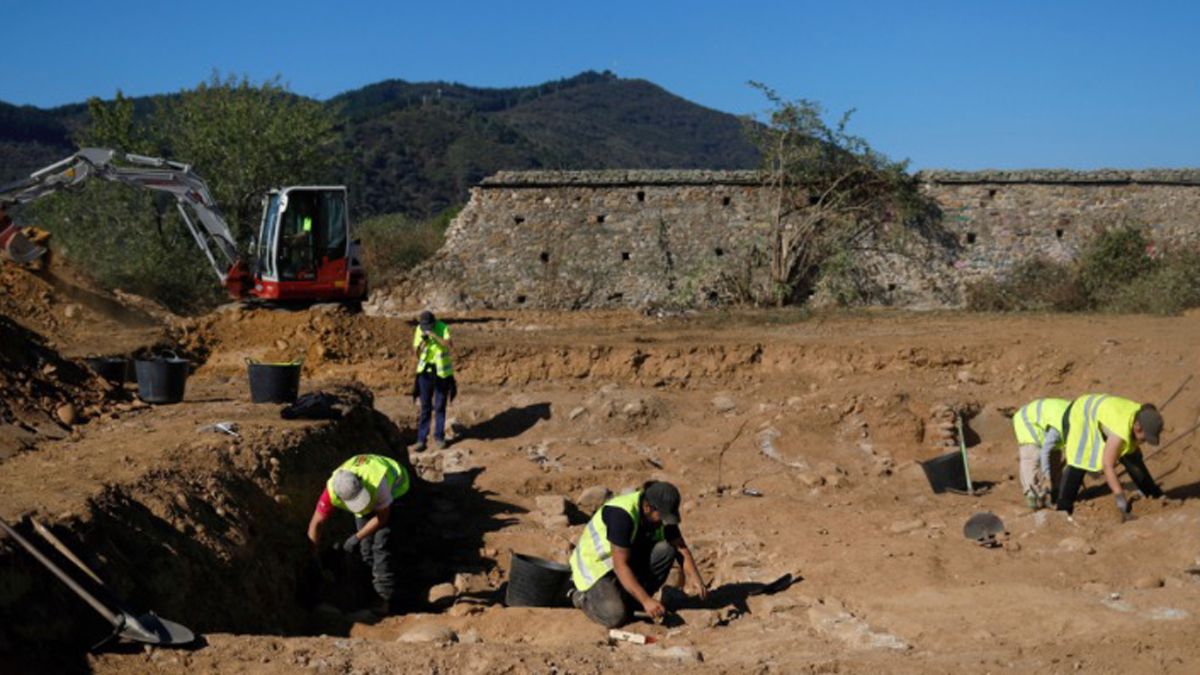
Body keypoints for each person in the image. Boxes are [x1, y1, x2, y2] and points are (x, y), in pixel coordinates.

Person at [568, 481, 708, 628]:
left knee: (666, 550)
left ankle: (632, 602)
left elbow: (680, 548)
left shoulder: (661, 514)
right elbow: (620, 565)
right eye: (662, 516)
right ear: (647, 507)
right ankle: (580, 597)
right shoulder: (621, 515)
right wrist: (647, 600)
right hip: (595, 568)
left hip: (623, 562)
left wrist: (696, 578)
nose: (664, 522)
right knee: (615, 616)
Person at [307, 453, 410, 615]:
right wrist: (313, 557)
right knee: (365, 548)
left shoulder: (378, 482)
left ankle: (383, 599)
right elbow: (316, 523)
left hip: (397, 487)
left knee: (381, 545)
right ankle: (366, 593)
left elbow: (382, 518)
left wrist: (355, 537)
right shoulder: (331, 491)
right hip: (370, 495)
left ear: (361, 483)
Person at [1055, 394, 1165, 519]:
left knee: (1133, 459)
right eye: (1145, 438)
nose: (1144, 442)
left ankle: (1154, 495)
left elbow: (1133, 458)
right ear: (1137, 427)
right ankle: (1063, 509)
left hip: (1104, 411)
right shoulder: (1120, 429)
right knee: (1080, 460)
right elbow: (1107, 465)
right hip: (1083, 412)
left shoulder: (1140, 415)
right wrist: (1120, 498)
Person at [1012, 397, 1069, 509]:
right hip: (1027, 420)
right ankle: (1032, 494)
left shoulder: (1079, 423)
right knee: (1032, 456)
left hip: (1046, 422)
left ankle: (1055, 492)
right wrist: (1047, 477)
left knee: (1055, 457)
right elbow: (1045, 452)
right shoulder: (1059, 427)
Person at [412, 310, 454, 451]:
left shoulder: (442, 327)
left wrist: (434, 336)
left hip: (441, 373)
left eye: (428, 327)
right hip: (425, 373)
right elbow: (416, 352)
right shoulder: (419, 329)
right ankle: (421, 439)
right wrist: (423, 342)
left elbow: (449, 344)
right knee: (425, 407)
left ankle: (439, 437)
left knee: (440, 406)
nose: (426, 329)